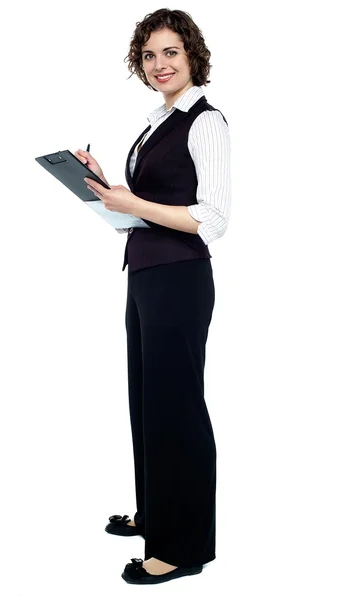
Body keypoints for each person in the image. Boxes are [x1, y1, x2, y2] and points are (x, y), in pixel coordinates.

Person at [75, 8, 231, 585]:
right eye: (149, 55)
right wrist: (107, 189)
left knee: (177, 409)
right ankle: (156, 514)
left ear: (192, 55)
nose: (160, 64)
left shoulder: (205, 122)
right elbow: (145, 217)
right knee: (147, 404)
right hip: (144, 274)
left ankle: (184, 546)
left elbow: (212, 220)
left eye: (171, 52)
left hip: (180, 280)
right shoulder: (152, 124)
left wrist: (132, 203)